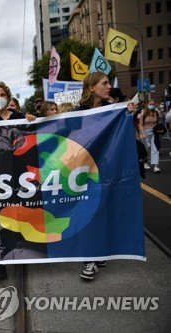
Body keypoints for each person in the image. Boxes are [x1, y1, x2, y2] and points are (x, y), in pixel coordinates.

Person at [0, 81, 35, 280]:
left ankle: (22, 251)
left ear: (9, 97)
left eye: (2, 94)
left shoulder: (20, 117)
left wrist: (33, 121)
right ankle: (1, 261)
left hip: (20, 173)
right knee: (1, 214)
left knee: (20, 210)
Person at [75, 71, 115, 280]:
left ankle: (98, 251)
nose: (109, 86)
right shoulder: (77, 112)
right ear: (91, 88)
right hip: (84, 172)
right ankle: (89, 259)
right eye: (105, 83)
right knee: (87, 212)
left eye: (109, 83)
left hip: (106, 169)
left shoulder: (112, 110)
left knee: (102, 210)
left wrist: (128, 112)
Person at [138, 100, 161, 173]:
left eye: (153, 104)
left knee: (155, 148)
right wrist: (143, 133)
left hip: (154, 132)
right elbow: (140, 125)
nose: (152, 105)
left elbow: (158, 122)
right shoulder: (143, 114)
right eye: (150, 104)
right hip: (145, 133)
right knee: (146, 149)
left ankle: (156, 166)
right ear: (147, 105)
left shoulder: (156, 113)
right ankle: (145, 162)